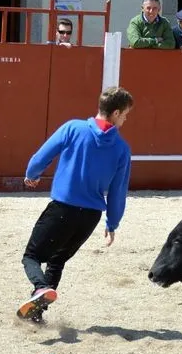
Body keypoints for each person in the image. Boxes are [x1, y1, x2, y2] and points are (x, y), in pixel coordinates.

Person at [17, 86, 134, 323]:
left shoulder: (73, 128)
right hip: (90, 217)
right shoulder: (122, 148)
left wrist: (32, 174)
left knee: (31, 256)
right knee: (57, 260)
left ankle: (40, 287)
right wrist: (112, 222)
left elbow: (43, 155)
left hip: (63, 209)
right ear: (115, 113)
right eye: (125, 115)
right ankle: (36, 314)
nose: (125, 119)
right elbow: (118, 191)